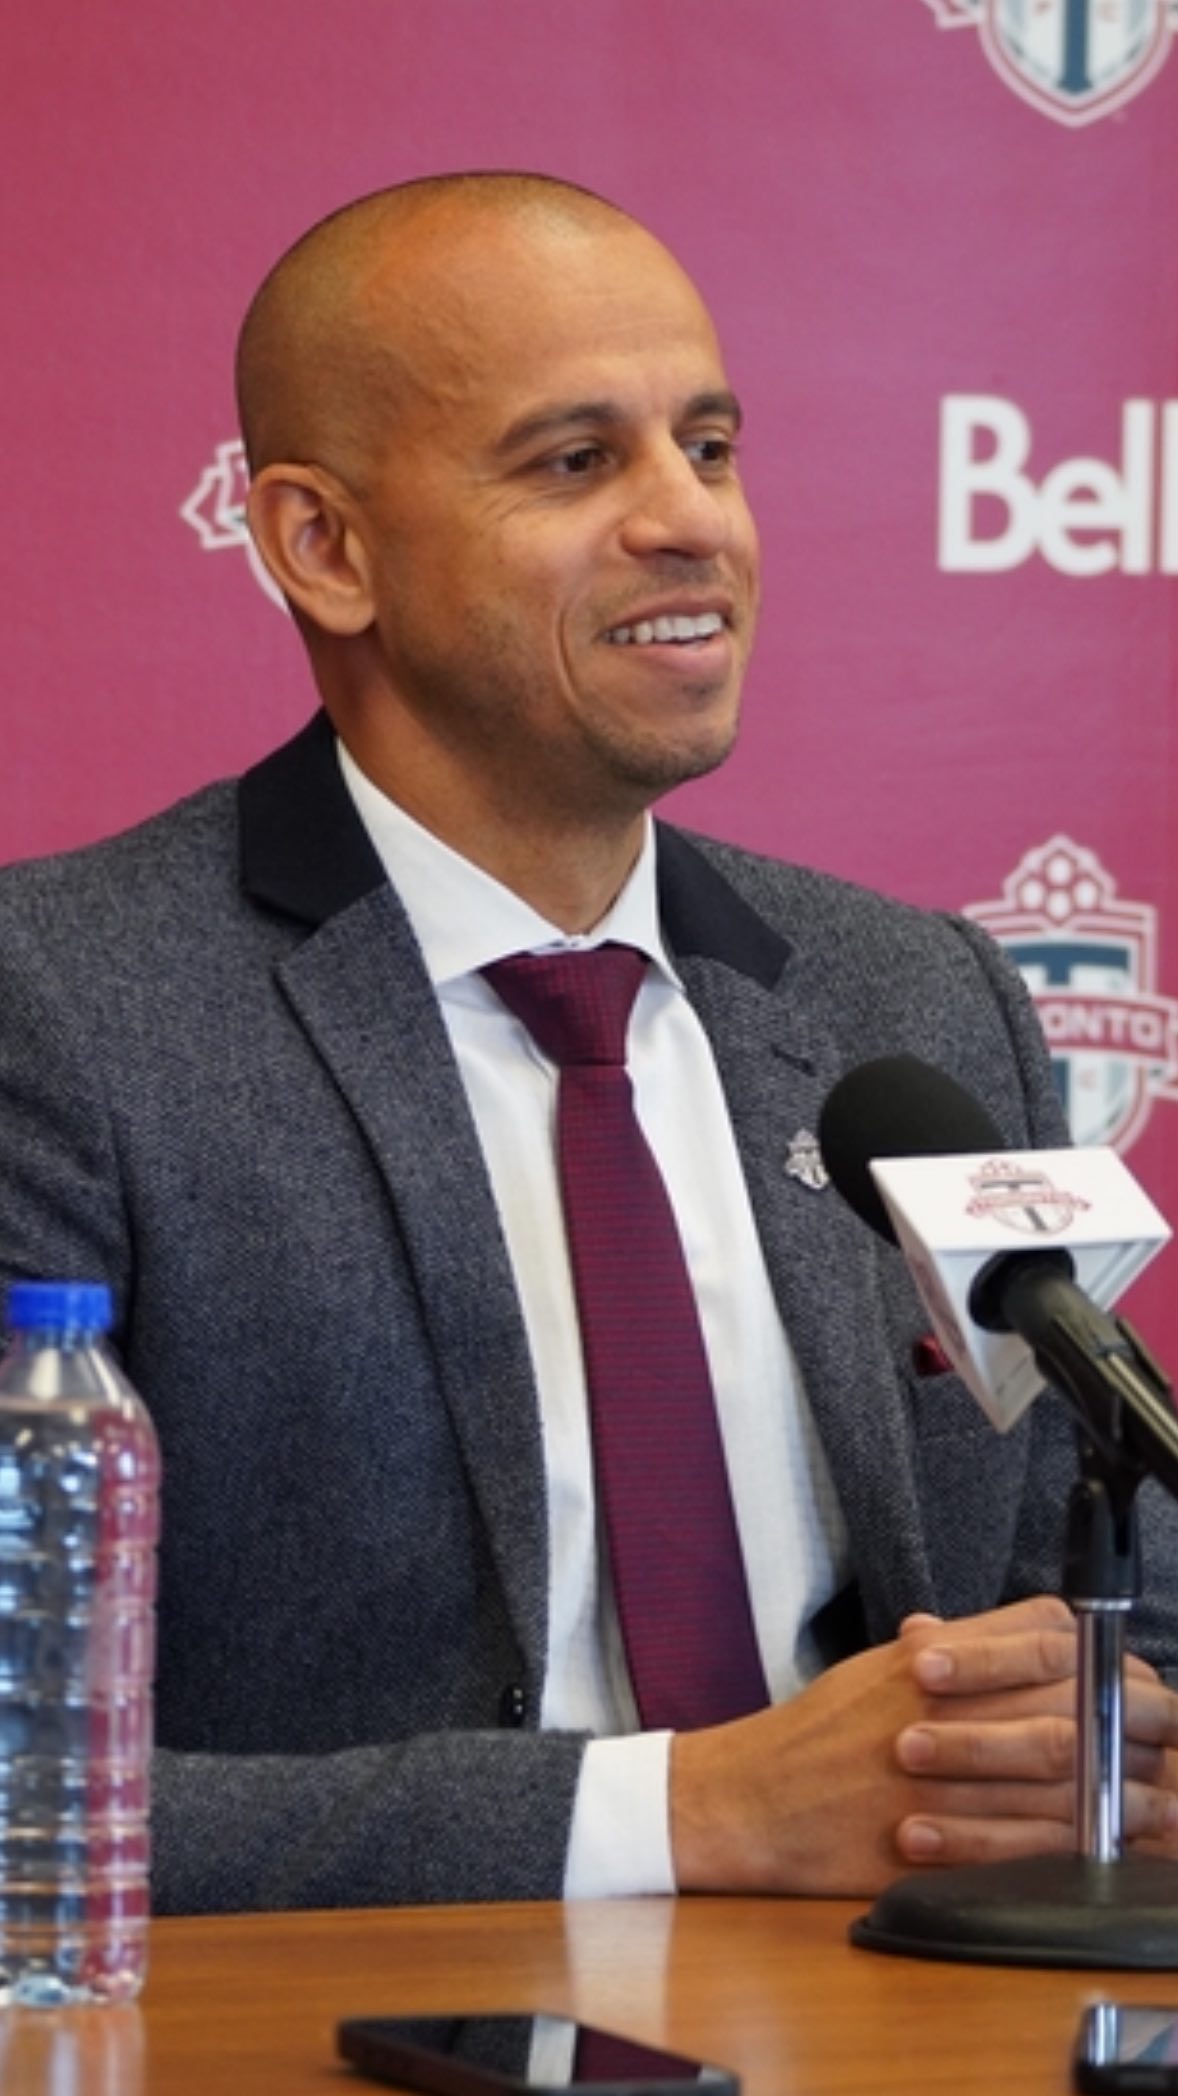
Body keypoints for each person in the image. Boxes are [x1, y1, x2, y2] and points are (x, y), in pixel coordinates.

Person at [1, 170, 1177, 1916]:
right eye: (575, 461)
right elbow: (25, 1792)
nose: (689, 520)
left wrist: (1108, 1730)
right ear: (323, 546)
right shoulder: (64, 1008)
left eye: (708, 446)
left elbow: (1104, 1592)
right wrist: (682, 1816)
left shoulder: (909, 1004)